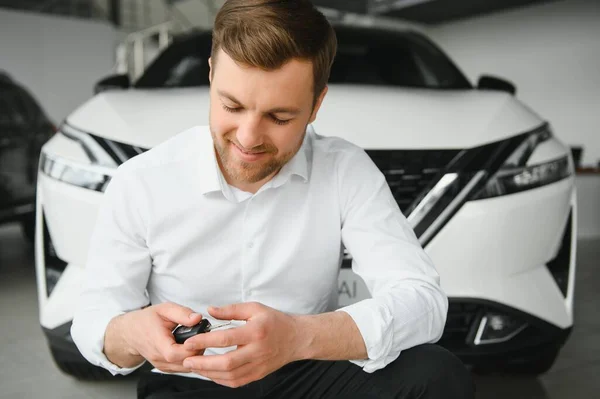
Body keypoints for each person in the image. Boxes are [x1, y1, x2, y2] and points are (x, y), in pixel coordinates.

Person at [71, 0, 474, 398]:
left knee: (436, 375)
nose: (248, 138)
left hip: (308, 371)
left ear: (316, 105)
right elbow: (93, 320)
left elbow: (422, 302)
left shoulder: (345, 169)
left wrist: (300, 337)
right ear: (211, 76)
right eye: (232, 105)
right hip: (190, 383)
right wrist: (130, 332)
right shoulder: (141, 181)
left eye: (279, 118)